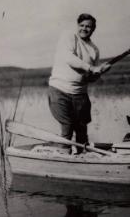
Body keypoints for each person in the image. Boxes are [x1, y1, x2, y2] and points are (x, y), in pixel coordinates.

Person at [48, 13, 111, 154]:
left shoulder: (94, 49)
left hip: (80, 94)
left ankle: (83, 158)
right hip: (60, 90)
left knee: (82, 129)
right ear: (77, 26)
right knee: (67, 126)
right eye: (81, 25)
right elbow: (69, 58)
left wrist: (100, 72)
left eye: (88, 26)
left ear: (93, 29)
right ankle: (64, 155)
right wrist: (91, 67)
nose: (84, 28)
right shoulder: (69, 36)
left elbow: (90, 78)